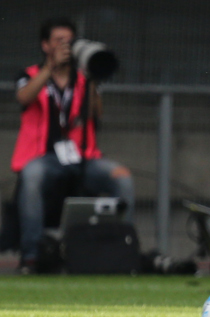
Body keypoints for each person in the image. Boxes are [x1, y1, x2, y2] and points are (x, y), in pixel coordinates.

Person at [11, 18, 135, 274]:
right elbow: (24, 97)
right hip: (44, 157)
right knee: (31, 175)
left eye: (70, 41)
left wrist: (91, 78)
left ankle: (121, 248)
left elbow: (95, 114)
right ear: (45, 45)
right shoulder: (31, 74)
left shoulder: (83, 78)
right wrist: (49, 68)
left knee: (122, 177)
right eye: (59, 41)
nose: (66, 46)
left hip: (83, 157)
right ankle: (32, 256)